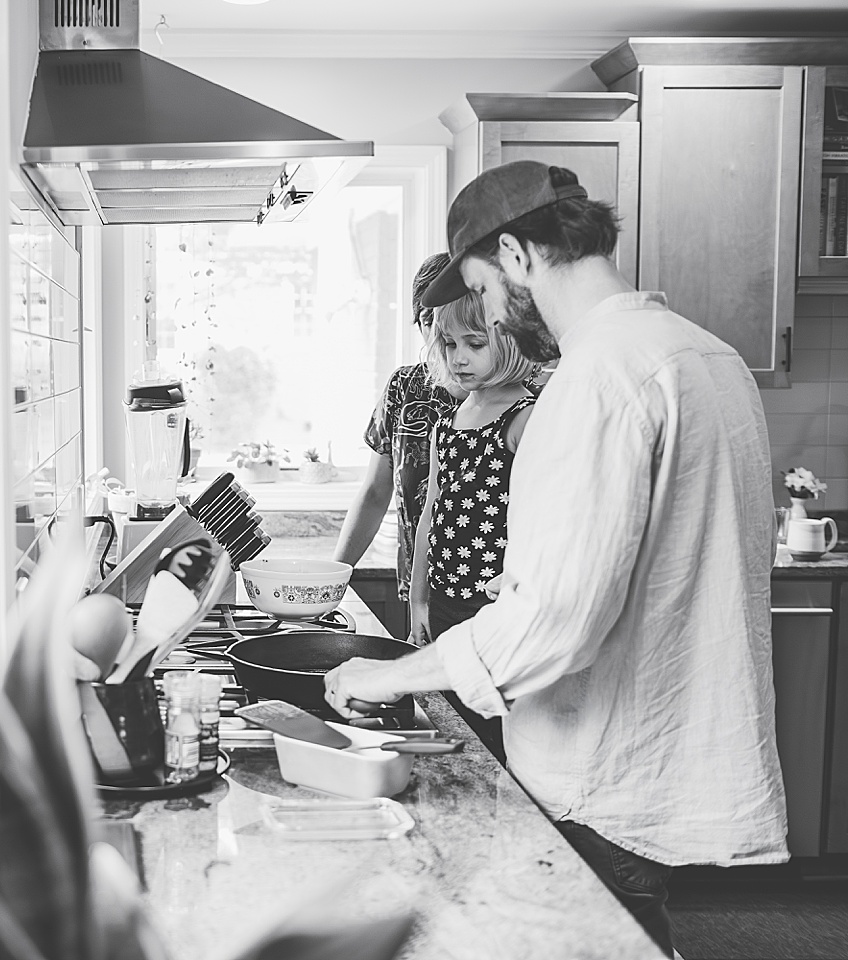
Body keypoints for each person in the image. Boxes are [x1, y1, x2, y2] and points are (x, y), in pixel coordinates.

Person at [323, 160, 787, 958]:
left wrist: (385, 674)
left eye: (487, 289)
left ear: (515, 255)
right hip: (656, 761)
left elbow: (556, 623)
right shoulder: (708, 355)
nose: (495, 313)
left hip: (598, 770)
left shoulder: (597, 378)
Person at [407, 292, 536, 761]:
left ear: (510, 342)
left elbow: (539, 522)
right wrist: (418, 597)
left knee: (494, 738)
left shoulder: (525, 418)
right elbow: (431, 513)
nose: (458, 358)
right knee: (453, 732)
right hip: (443, 602)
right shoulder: (449, 419)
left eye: (474, 344)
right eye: (448, 343)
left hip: (493, 608)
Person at [332, 254, 465, 610]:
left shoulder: (512, 398)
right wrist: (332, 579)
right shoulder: (404, 388)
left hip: (487, 597)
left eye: (449, 315)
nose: (438, 332)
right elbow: (376, 493)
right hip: (417, 593)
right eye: (427, 319)